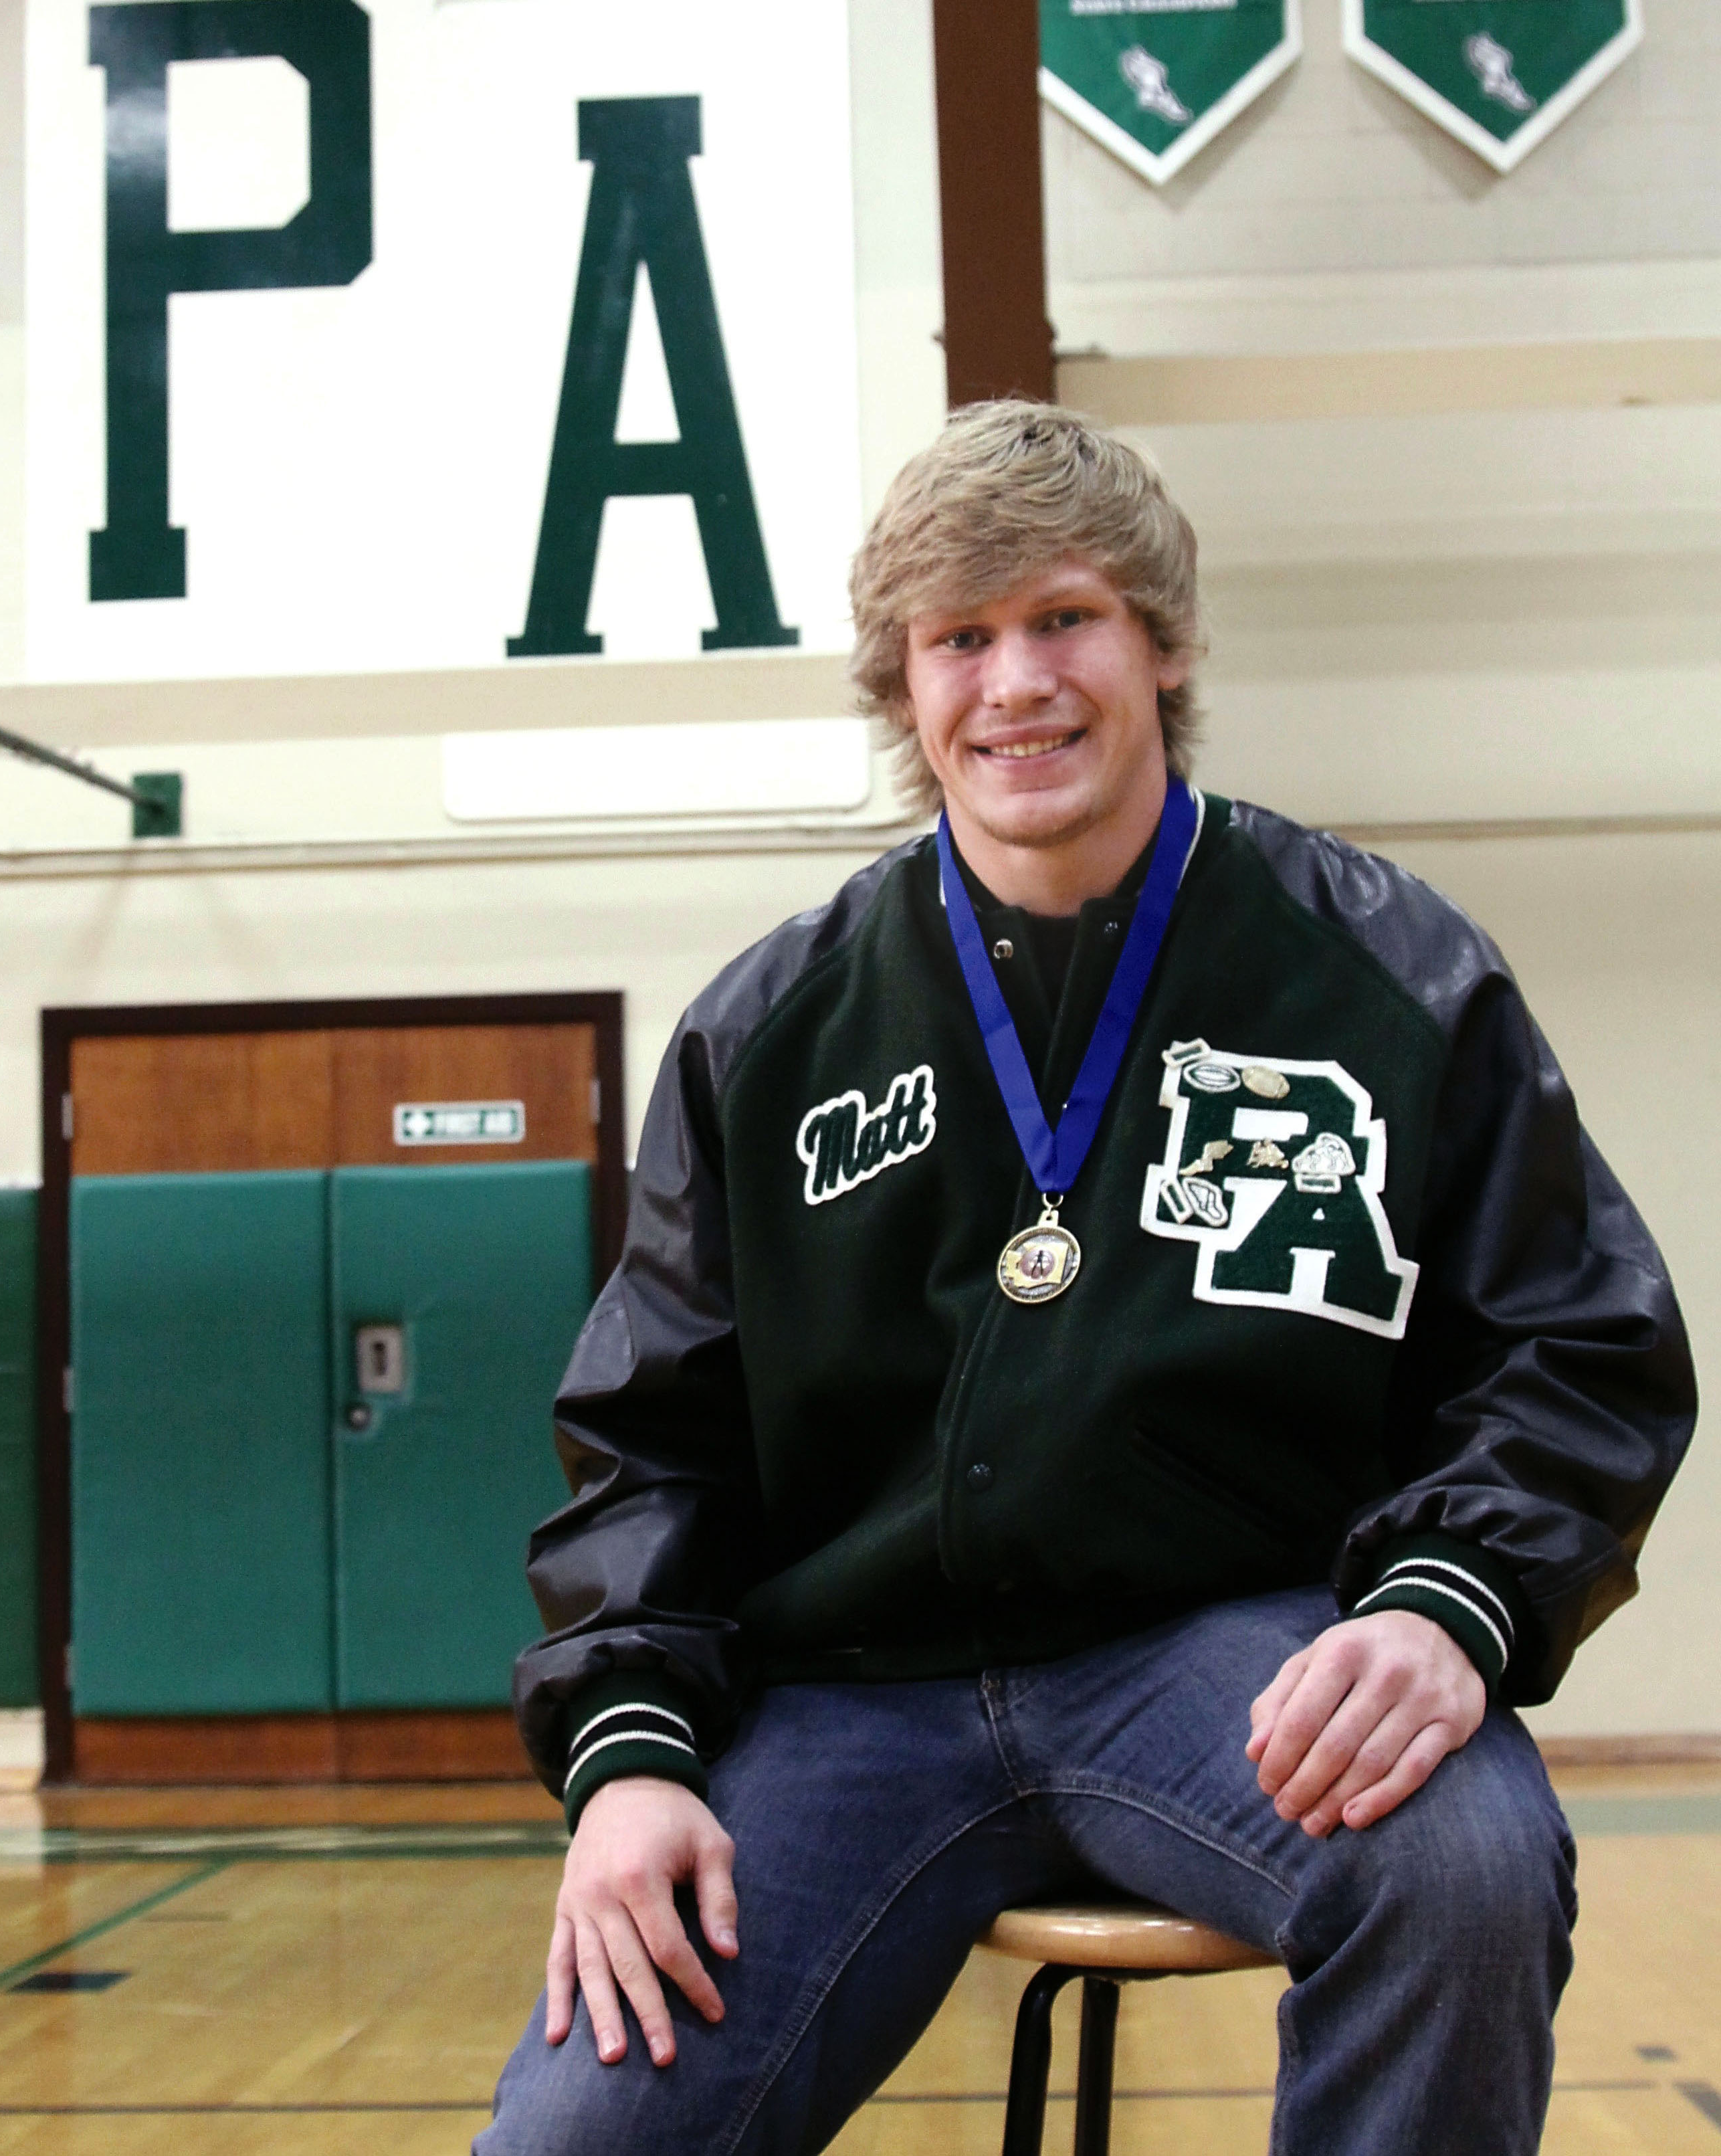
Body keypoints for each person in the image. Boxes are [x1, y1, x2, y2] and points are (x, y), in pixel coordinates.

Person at [478, 403, 1695, 2156]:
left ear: (1164, 644)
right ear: (905, 688)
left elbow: (1575, 1342)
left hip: (1231, 1663)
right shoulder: (773, 1029)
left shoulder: (1385, 972)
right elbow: (653, 1439)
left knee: (1465, 1867)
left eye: (1064, 619)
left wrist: (1449, 1608)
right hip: (852, 1694)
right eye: (960, 639)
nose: (1017, 683)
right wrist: (634, 1755)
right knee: (577, 2136)